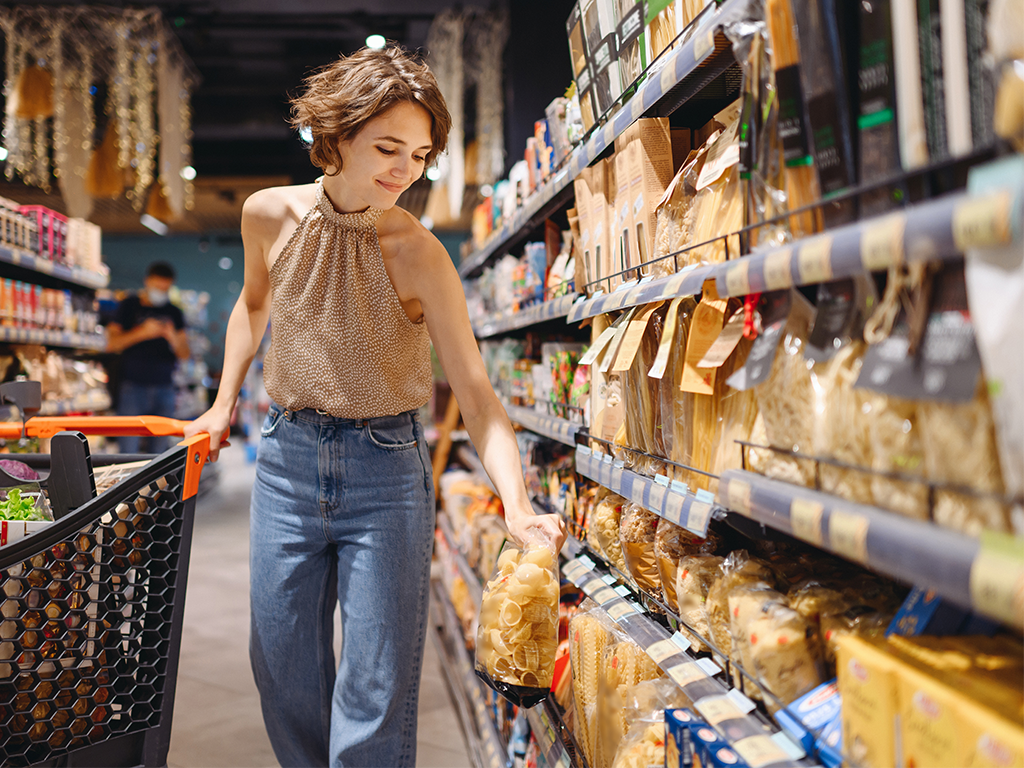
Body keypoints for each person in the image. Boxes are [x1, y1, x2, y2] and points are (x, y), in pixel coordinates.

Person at [185, 45, 565, 768]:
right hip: (286, 462)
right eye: (388, 148)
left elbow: (476, 392)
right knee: (281, 666)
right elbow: (254, 304)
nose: (404, 171)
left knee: (376, 684)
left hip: (385, 471)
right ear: (338, 135)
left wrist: (517, 506)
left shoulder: (419, 252)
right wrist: (220, 402)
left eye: (420, 156)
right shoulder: (268, 214)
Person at [107, 261, 189, 454]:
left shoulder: (174, 312)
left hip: (165, 388)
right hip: (132, 386)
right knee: (128, 449)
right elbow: (111, 343)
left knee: (160, 452)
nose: (161, 292)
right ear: (147, 282)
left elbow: (185, 354)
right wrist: (143, 332)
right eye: (157, 287)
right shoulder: (128, 305)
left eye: (165, 289)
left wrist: (172, 337)